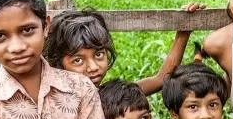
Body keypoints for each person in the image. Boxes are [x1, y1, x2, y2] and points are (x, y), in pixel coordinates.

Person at [43, 8, 196, 94]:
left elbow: (160, 79)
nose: (94, 67)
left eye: (98, 54)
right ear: (58, 63)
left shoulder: (110, 96)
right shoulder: (54, 102)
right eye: (78, 60)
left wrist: (183, 34)